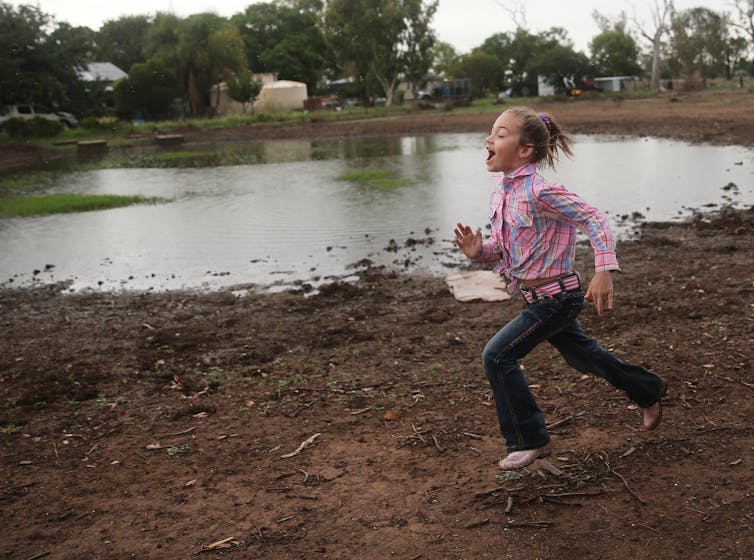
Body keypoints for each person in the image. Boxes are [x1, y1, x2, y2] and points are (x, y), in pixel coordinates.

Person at [454, 106, 667, 471]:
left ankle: (529, 438)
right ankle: (648, 391)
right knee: (584, 356)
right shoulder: (501, 192)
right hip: (536, 296)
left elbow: (593, 217)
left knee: (498, 356)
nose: (490, 139)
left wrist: (604, 269)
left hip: (558, 297)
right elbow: (509, 249)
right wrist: (480, 252)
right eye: (492, 132)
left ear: (525, 149)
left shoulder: (541, 190)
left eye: (501, 133)